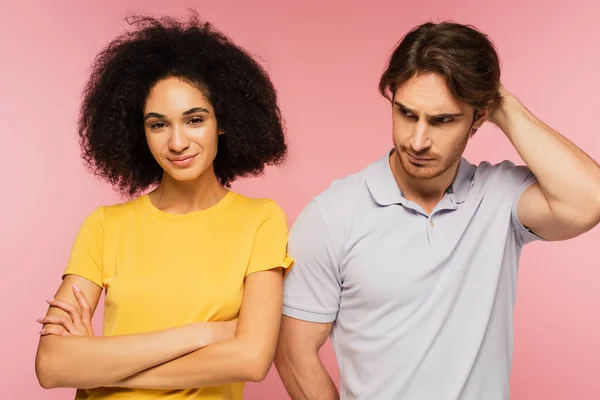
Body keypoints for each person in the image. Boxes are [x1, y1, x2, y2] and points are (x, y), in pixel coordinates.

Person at [275, 21, 600, 400]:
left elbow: (588, 201)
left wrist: (503, 105)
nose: (417, 140)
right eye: (406, 113)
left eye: (442, 120)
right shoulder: (331, 216)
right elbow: (293, 353)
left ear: (480, 117)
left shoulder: (500, 198)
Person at [34, 13, 293, 400]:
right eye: (158, 124)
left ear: (223, 121)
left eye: (194, 120)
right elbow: (51, 365)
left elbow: (251, 359)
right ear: (139, 130)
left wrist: (98, 368)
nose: (177, 142)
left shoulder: (260, 220)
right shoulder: (106, 226)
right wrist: (202, 333)